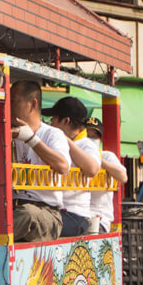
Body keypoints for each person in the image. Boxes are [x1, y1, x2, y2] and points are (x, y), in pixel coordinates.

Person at [10, 80, 71, 242]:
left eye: (14, 100)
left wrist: (31, 139)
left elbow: (63, 166)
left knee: (27, 214)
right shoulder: (12, 136)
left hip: (47, 214)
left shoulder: (52, 134)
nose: (9, 105)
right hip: (17, 207)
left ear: (33, 104)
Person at [44, 96, 100, 236]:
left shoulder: (86, 144)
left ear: (66, 121)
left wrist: (64, 140)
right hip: (55, 211)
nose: (50, 123)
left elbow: (92, 169)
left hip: (74, 215)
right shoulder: (52, 143)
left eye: (54, 118)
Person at [86, 117, 128, 232]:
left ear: (100, 139)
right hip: (79, 215)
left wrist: (99, 161)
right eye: (87, 135)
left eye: (94, 136)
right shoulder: (75, 155)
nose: (90, 139)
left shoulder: (107, 156)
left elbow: (123, 177)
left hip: (100, 219)